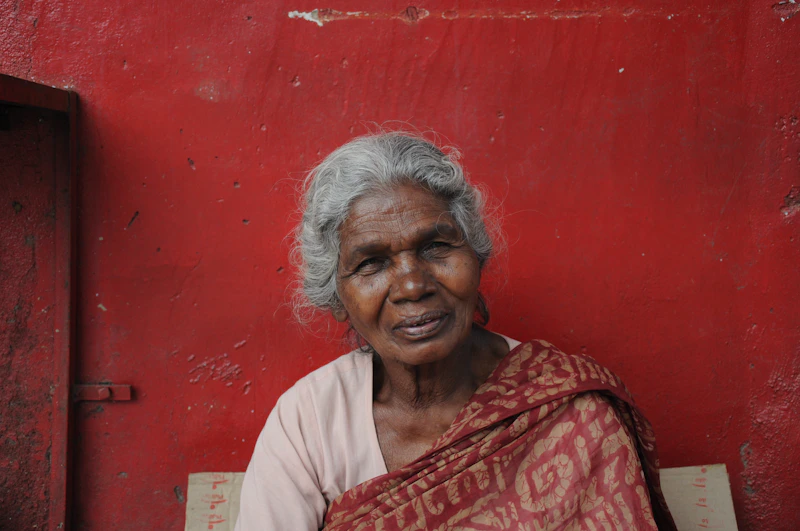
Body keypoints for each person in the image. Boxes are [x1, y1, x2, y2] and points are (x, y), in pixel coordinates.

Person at [235, 132, 676, 530]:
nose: (412, 285)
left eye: (436, 247)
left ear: (477, 259)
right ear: (337, 298)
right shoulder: (309, 422)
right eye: (371, 263)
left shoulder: (569, 413)